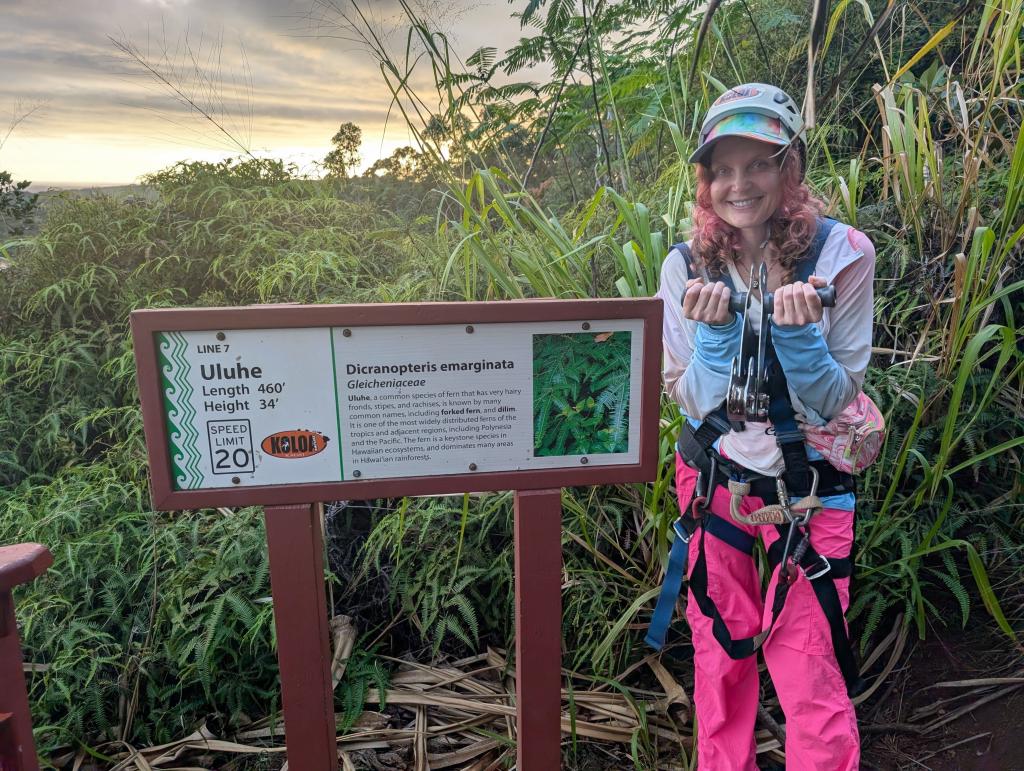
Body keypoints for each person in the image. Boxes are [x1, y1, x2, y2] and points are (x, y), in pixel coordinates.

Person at [652, 84, 875, 769]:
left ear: (791, 167)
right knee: (721, 659)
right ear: (704, 180)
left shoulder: (842, 255)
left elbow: (837, 397)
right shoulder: (684, 267)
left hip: (807, 488)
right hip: (716, 482)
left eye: (758, 163)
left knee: (810, 671)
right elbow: (688, 398)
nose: (737, 184)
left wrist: (800, 337)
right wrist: (716, 339)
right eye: (721, 167)